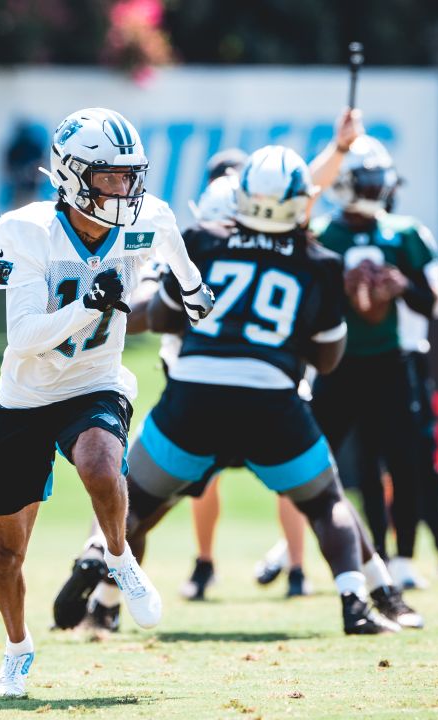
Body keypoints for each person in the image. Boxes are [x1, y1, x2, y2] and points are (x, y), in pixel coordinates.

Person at [54, 146, 423, 641]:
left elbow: (157, 314)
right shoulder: (318, 259)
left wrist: (133, 296)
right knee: (324, 498)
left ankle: (99, 566)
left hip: (195, 395)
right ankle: (357, 598)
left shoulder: (203, 241)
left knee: (137, 499)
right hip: (272, 398)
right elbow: (330, 358)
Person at [0, 107, 215, 697]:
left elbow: (171, 242)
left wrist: (192, 290)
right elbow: (23, 337)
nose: (124, 189)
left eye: (130, 176)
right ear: (72, 174)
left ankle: (118, 558)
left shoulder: (145, 216)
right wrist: (92, 302)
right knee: (7, 552)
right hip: (27, 394)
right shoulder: (25, 229)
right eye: (110, 176)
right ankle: (18, 648)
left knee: (102, 465)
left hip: (95, 380)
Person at [180, 109, 366, 601]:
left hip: (202, 376)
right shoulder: (290, 232)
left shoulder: (206, 231)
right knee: (312, 487)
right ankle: (336, 582)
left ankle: (111, 578)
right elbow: (311, 191)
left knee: (150, 486)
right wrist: (340, 149)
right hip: (271, 376)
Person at [303, 136, 438, 589]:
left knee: (402, 461)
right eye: (366, 180)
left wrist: (400, 286)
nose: (375, 189)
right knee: (327, 461)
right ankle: (320, 554)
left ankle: (403, 557)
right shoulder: (322, 235)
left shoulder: (405, 233)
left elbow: (436, 304)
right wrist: (342, 286)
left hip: (391, 361)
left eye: (378, 180)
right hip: (338, 363)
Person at [5, 121, 45, 208]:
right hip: (19, 187)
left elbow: (40, 165)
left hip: (28, 187)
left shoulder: (31, 147)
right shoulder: (17, 148)